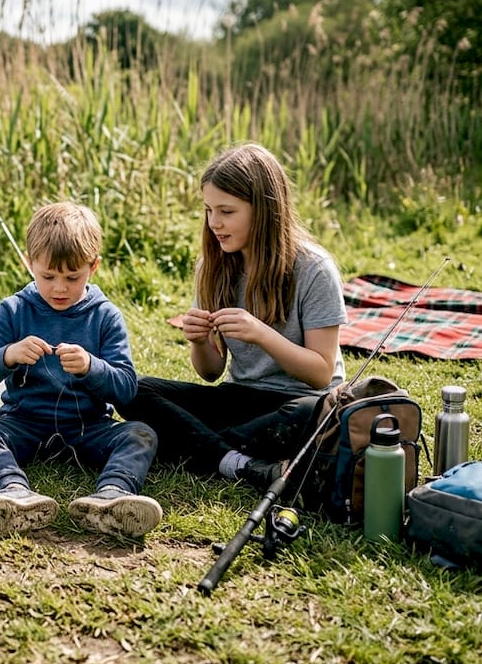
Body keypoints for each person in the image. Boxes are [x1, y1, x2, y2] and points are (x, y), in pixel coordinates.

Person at [119, 142, 346, 492]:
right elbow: (211, 372)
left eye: (226, 211)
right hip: (241, 398)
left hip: (298, 404)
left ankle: (192, 445)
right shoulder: (214, 266)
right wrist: (198, 341)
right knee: (133, 388)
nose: (214, 224)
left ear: (265, 210)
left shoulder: (313, 269)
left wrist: (261, 333)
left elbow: (320, 373)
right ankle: (240, 463)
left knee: (308, 416)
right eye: (209, 210)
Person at [0, 202, 163, 539]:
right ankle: (13, 493)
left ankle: (112, 497)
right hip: (23, 424)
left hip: (88, 427)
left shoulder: (105, 316)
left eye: (73, 277)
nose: (59, 288)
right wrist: (9, 354)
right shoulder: (14, 310)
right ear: (29, 263)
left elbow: (126, 388)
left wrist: (91, 366)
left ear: (93, 267)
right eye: (48, 276)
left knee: (140, 434)